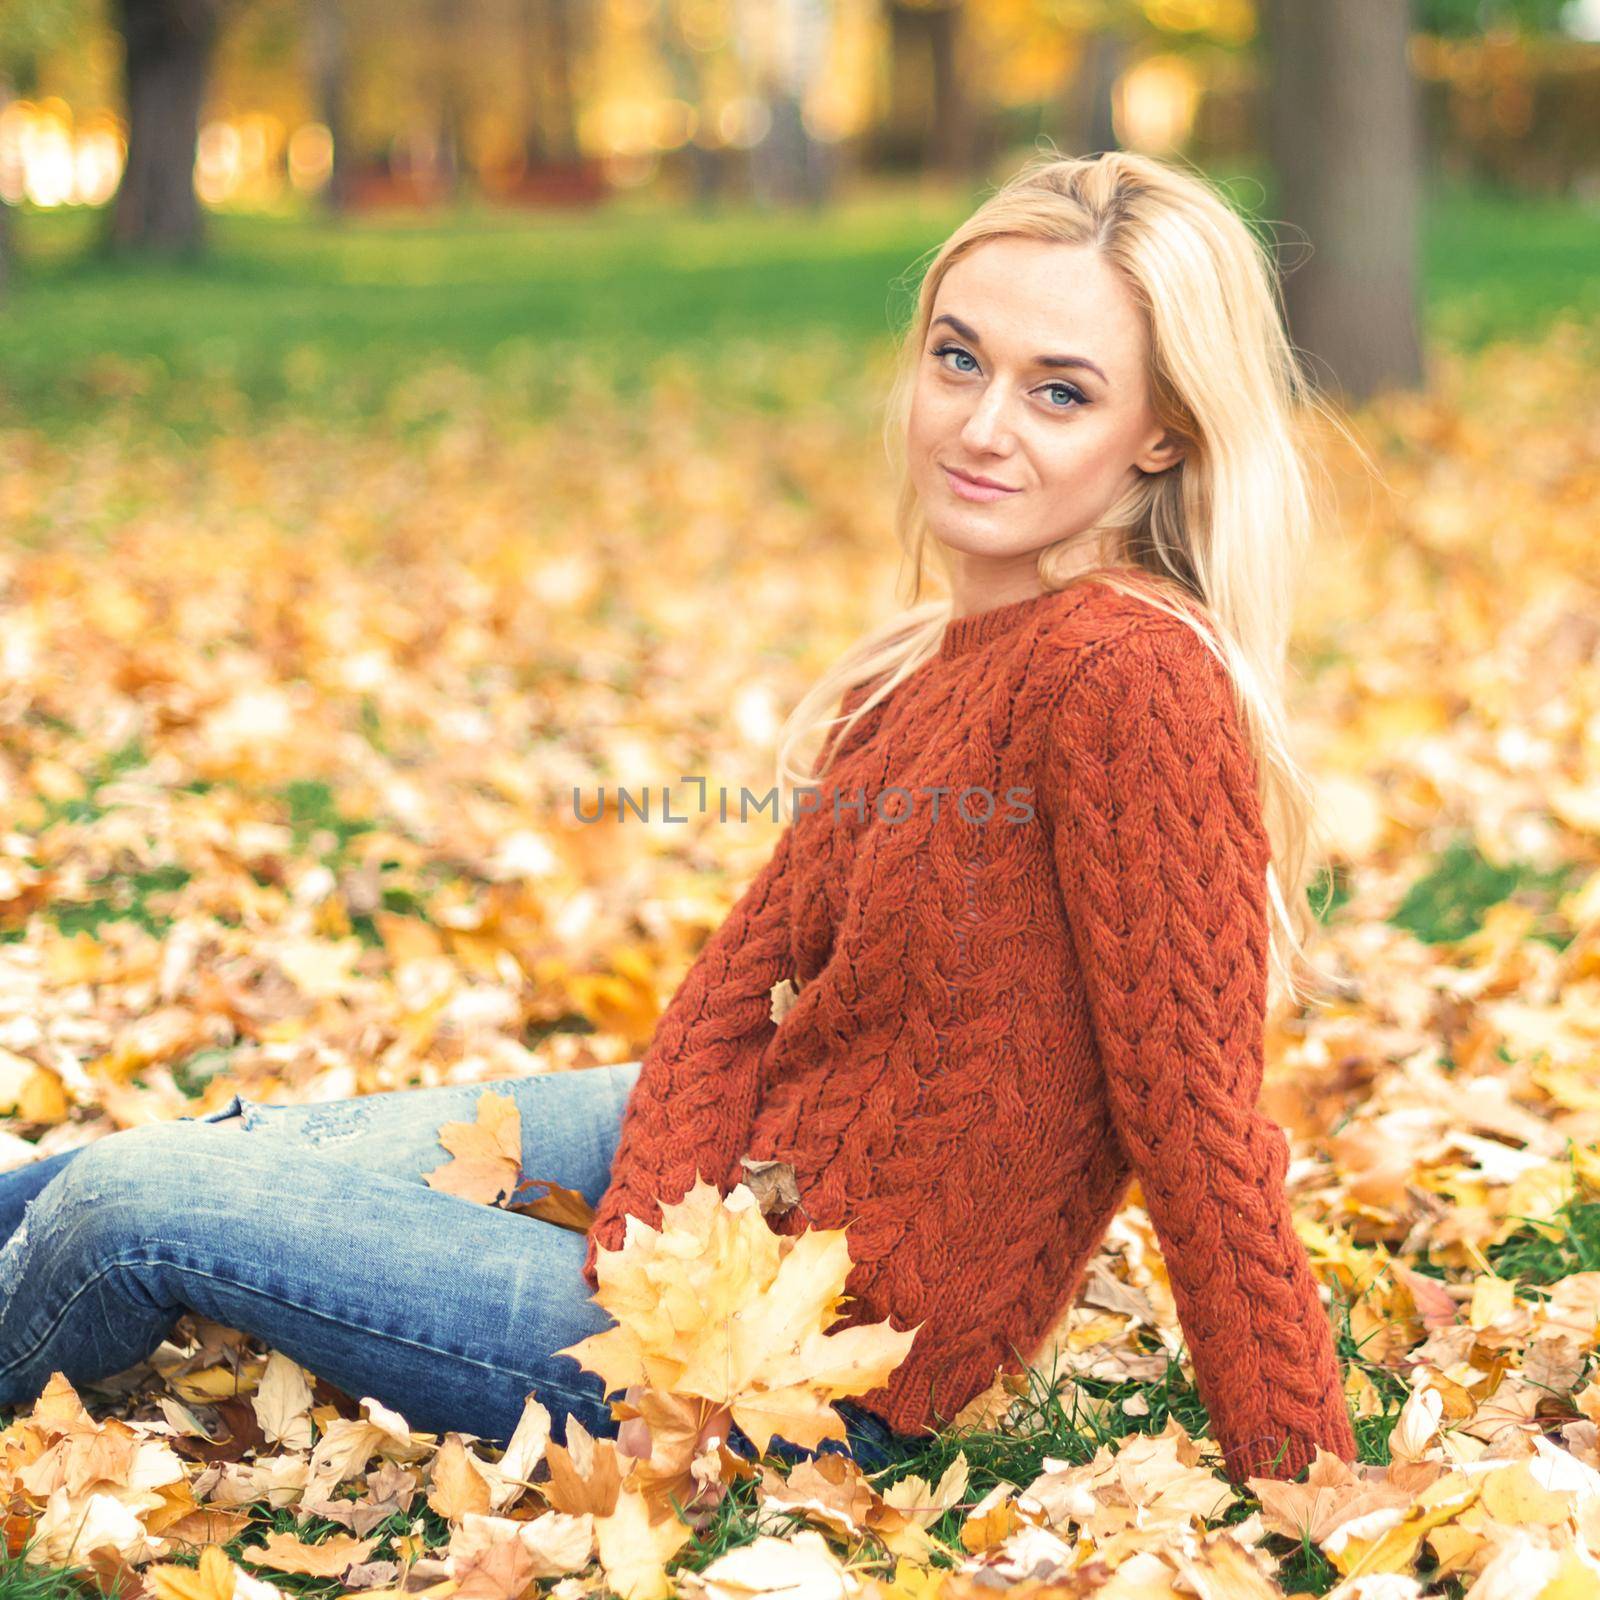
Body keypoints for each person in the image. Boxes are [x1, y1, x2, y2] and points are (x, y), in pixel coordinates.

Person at [0, 148, 1358, 1484]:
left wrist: (1316, 1492)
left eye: (1060, 392)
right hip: (744, 1188)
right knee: (148, 1156)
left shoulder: (1128, 675)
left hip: (806, 1364)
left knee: (130, 1216)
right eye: (960, 358)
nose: (982, 424)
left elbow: (1198, 1119)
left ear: (1163, 430)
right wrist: (652, 1222)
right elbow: (734, 985)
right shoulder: (929, 664)